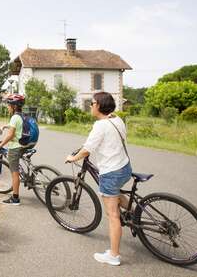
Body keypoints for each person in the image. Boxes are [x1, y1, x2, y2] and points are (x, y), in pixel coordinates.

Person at [66, 92, 132, 266]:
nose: (90, 105)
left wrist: (73, 158)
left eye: (92, 103)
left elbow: (88, 149)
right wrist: (84, 148)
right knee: (115, 194)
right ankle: (134, 211)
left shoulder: (100, 125)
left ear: (99, 106)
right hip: (124, 167)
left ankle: (114, 255)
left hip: (111, 172)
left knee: (113, 216)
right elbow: (95, 142)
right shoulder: (117, 120)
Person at [0, 94, 26, 205]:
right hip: (25, 145)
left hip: (15, 147)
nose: (7, 107)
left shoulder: (15, 117)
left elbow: (10, 136)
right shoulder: (21, 115)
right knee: (17, 168)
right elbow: (15, 126)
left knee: (14, 173)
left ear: (14, 106)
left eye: (9, 104)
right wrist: (5, 126)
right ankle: (29, 178)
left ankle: (15, 198)